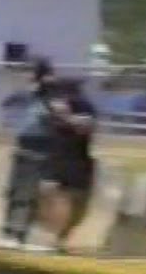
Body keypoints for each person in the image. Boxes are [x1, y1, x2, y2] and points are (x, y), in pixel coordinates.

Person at [0, 57, 57, 250]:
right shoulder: (25, 94)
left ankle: (19, 232)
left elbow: (53, 117)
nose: (27, 76)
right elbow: (7, 104)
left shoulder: (50, 96)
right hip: (24, 142)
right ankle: (8, 230)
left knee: (28, 192)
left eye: (30, 72)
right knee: (14, 190)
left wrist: (43, 90)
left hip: (40, 144)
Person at [23, 77, 98, 253]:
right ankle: (46, 237)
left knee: (76, 204)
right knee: (48, 196)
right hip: (55, 160)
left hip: (77, 161)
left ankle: (58, 239)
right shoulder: (48, 108)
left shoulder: (83, 107)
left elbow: (85, 127)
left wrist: (65, 115)